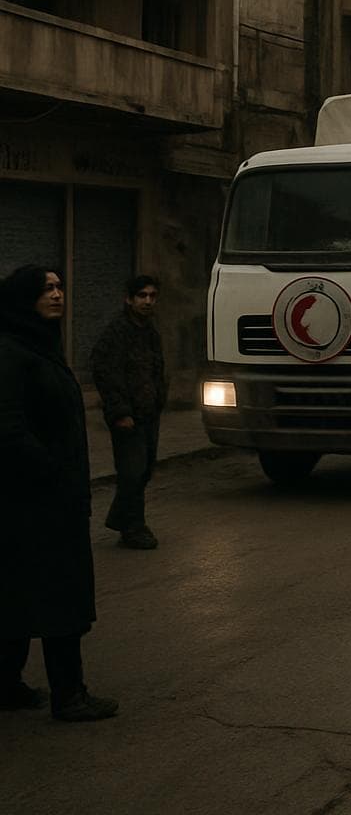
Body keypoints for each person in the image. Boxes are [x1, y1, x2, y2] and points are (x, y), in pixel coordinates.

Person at [0, 265, 118, 722]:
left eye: (58, 286)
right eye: (45, 288)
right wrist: (54, 473)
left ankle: (6, 685)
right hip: (36, 500)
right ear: (22, 298)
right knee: (59, 596)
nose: (57, 294)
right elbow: (8, 429)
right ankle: (69, 695)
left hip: (43, 498)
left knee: (20, 591)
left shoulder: (39, 346)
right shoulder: (12, 353)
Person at [91, 274, 167, 550]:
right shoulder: (117, 332)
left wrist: (159, 399)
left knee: (143, 471)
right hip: (128, 415)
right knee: (132, 472)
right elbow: (104, 370)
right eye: (142, 296)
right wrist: (120, 411)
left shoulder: (150, 332)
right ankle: (134, 527)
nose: (147, 301)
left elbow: (157, 369)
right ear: (129, 299)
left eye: (152, 296)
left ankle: (123, 520)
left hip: (148, 413)